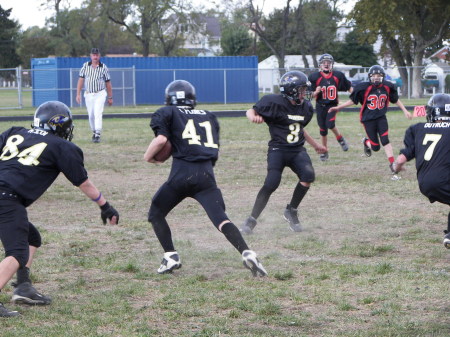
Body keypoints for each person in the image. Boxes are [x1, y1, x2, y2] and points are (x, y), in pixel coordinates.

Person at [0, 101, 119, 317]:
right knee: (17, 252)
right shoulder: (62, 146)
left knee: (31, 238)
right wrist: (105, 206)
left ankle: (23, 286)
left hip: (6, 198)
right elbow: (83, 183)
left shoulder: (14, 132)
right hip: (7, 199)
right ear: (60, 125)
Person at [144, 80, 267, 277]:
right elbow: (214, 151)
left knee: (156, 213)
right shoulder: (209, 116)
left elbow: (161, 140)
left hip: (181, 174)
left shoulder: (167, 112)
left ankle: (170, 256)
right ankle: (247, 252)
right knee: (221, 220)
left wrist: (148, 157)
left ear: (170, 98)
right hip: (206, 175)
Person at [240, 71, 327, 235]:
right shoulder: (272, 102)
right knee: (271, 183)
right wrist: (252, 117)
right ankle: (251, 219)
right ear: (290, 90)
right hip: (278, 149)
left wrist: (315, 145)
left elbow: (299, 128)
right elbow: (251, 110)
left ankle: (291, 210)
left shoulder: (305, 107)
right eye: (301, 90)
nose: (304, 93)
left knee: (308, 175)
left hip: (297, 150)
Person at [329, 65, 412, 175]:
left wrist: (405, 110)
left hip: (381, 117)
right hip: (368, 119)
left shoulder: (388, 86)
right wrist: (339, 107)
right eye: (374, 76)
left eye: (379, 75)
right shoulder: (363, 87)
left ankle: (392, 164)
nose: (376, 78)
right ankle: (365, 141)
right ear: (370, 77)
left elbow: (395, 99)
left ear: (383, 76)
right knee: (376, 147)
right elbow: (354, 101)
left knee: (385, 140)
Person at [392, 93, 450, 249]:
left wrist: (396, 167)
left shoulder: (417, 128)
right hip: (444, 179)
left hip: (424, 183)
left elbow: (403, 157)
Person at [308, 53, 353, 161]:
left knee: (330, 124)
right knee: (323, 130)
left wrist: (356, 96)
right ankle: (324, 151)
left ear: (332, 64)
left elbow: (349, 87)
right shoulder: (314, 77)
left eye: (328, 62)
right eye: (324, 62)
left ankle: (340, 139)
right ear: (320, 65)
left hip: (332, 105)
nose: (326, 64)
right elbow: (309, 96)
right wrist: (316, 92)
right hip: (320, 105)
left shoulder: (338, 76)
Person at [76, 48, 113, 143]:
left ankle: (97, 133)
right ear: (91, 56)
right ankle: (94, 131)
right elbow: (81, 80)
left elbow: (108, 83)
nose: (95, 57)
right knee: (91, 115)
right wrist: (78, 94)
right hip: (89, 94)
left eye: (97, 55)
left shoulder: (103, 67)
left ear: (99, 56)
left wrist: (110, 97)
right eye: (93, 55)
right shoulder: (85, 66)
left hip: (100, 93)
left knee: (98, 112)